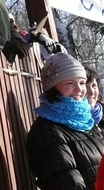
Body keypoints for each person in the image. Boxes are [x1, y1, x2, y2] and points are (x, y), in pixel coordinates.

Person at [26, 53, 104, 190]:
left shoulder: (85, 121)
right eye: (70, 83)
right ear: (53, 88)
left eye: (81, 82)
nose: (79, 89)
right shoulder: (46, 132)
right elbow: (65, 181)